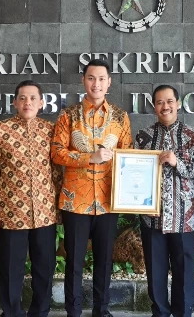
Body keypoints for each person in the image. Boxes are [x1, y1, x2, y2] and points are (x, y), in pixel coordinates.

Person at [51, 59, 133, 317]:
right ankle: (73, 311)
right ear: (83, 81)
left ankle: (102, 309)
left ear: (109, 83)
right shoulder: (68, 115)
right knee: (74, 261)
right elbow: (57, 152)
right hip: (76, 200)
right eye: (91, 78)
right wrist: (89, 158)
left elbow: (128, 155)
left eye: (101, 79)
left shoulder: (121, 117)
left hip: (109, 199)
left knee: (104, 260)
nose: (96, 83)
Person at [0, 80, 62, 317]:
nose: (28, 102)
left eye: (33, 98)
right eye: (23, 98)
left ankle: (40, 312)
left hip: (45, 213)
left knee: (45, 269)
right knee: (10, 269)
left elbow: (57, 172)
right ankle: (12, 312)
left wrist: (58, 209)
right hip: (11, 214)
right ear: (15, 103)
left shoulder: (51, 131)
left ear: (42, 103)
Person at [135, 85, 194, 317]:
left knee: (184, 270)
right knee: (155, 271)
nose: (165, 106)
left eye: (169, 101)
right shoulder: (143, 137)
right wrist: (140, 205)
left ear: (178, 103)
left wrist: (179, 163)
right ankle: (159, 312)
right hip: (152, 215)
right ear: (154, 106)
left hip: (183, 217)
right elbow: (134, 174)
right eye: (159, 102)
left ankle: (183, 313)